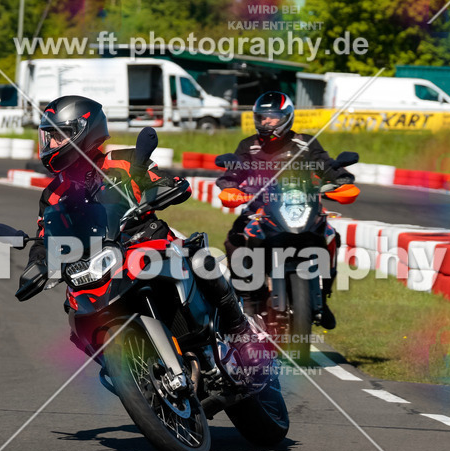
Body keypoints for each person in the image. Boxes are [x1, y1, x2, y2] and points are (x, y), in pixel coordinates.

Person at [17, 95, 268, 372]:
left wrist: (166, 187)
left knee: (200, 258)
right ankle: (124, 371)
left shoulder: (124, 161)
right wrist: (37, 263)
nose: (49, 144)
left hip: (146, 242)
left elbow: (160, 180)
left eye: (57, 136)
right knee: (74, 311)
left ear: (83, 131)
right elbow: (44, 234)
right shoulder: (53, 193)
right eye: (47, 137)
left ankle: (242, 333)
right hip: (97, 264)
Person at [216, 91, 355, 329]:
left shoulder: (306, 143)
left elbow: (327, 166)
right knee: (234, 241)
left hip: (303, 208)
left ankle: (324, 294)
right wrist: (230, 186)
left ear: (287, 117)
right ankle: (248, 299)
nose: (266, 122)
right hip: (259, 211)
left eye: (272, 117)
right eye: (262, 118)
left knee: (332, 235)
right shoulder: (248, 146)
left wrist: (341, 180)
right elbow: (233, 171)